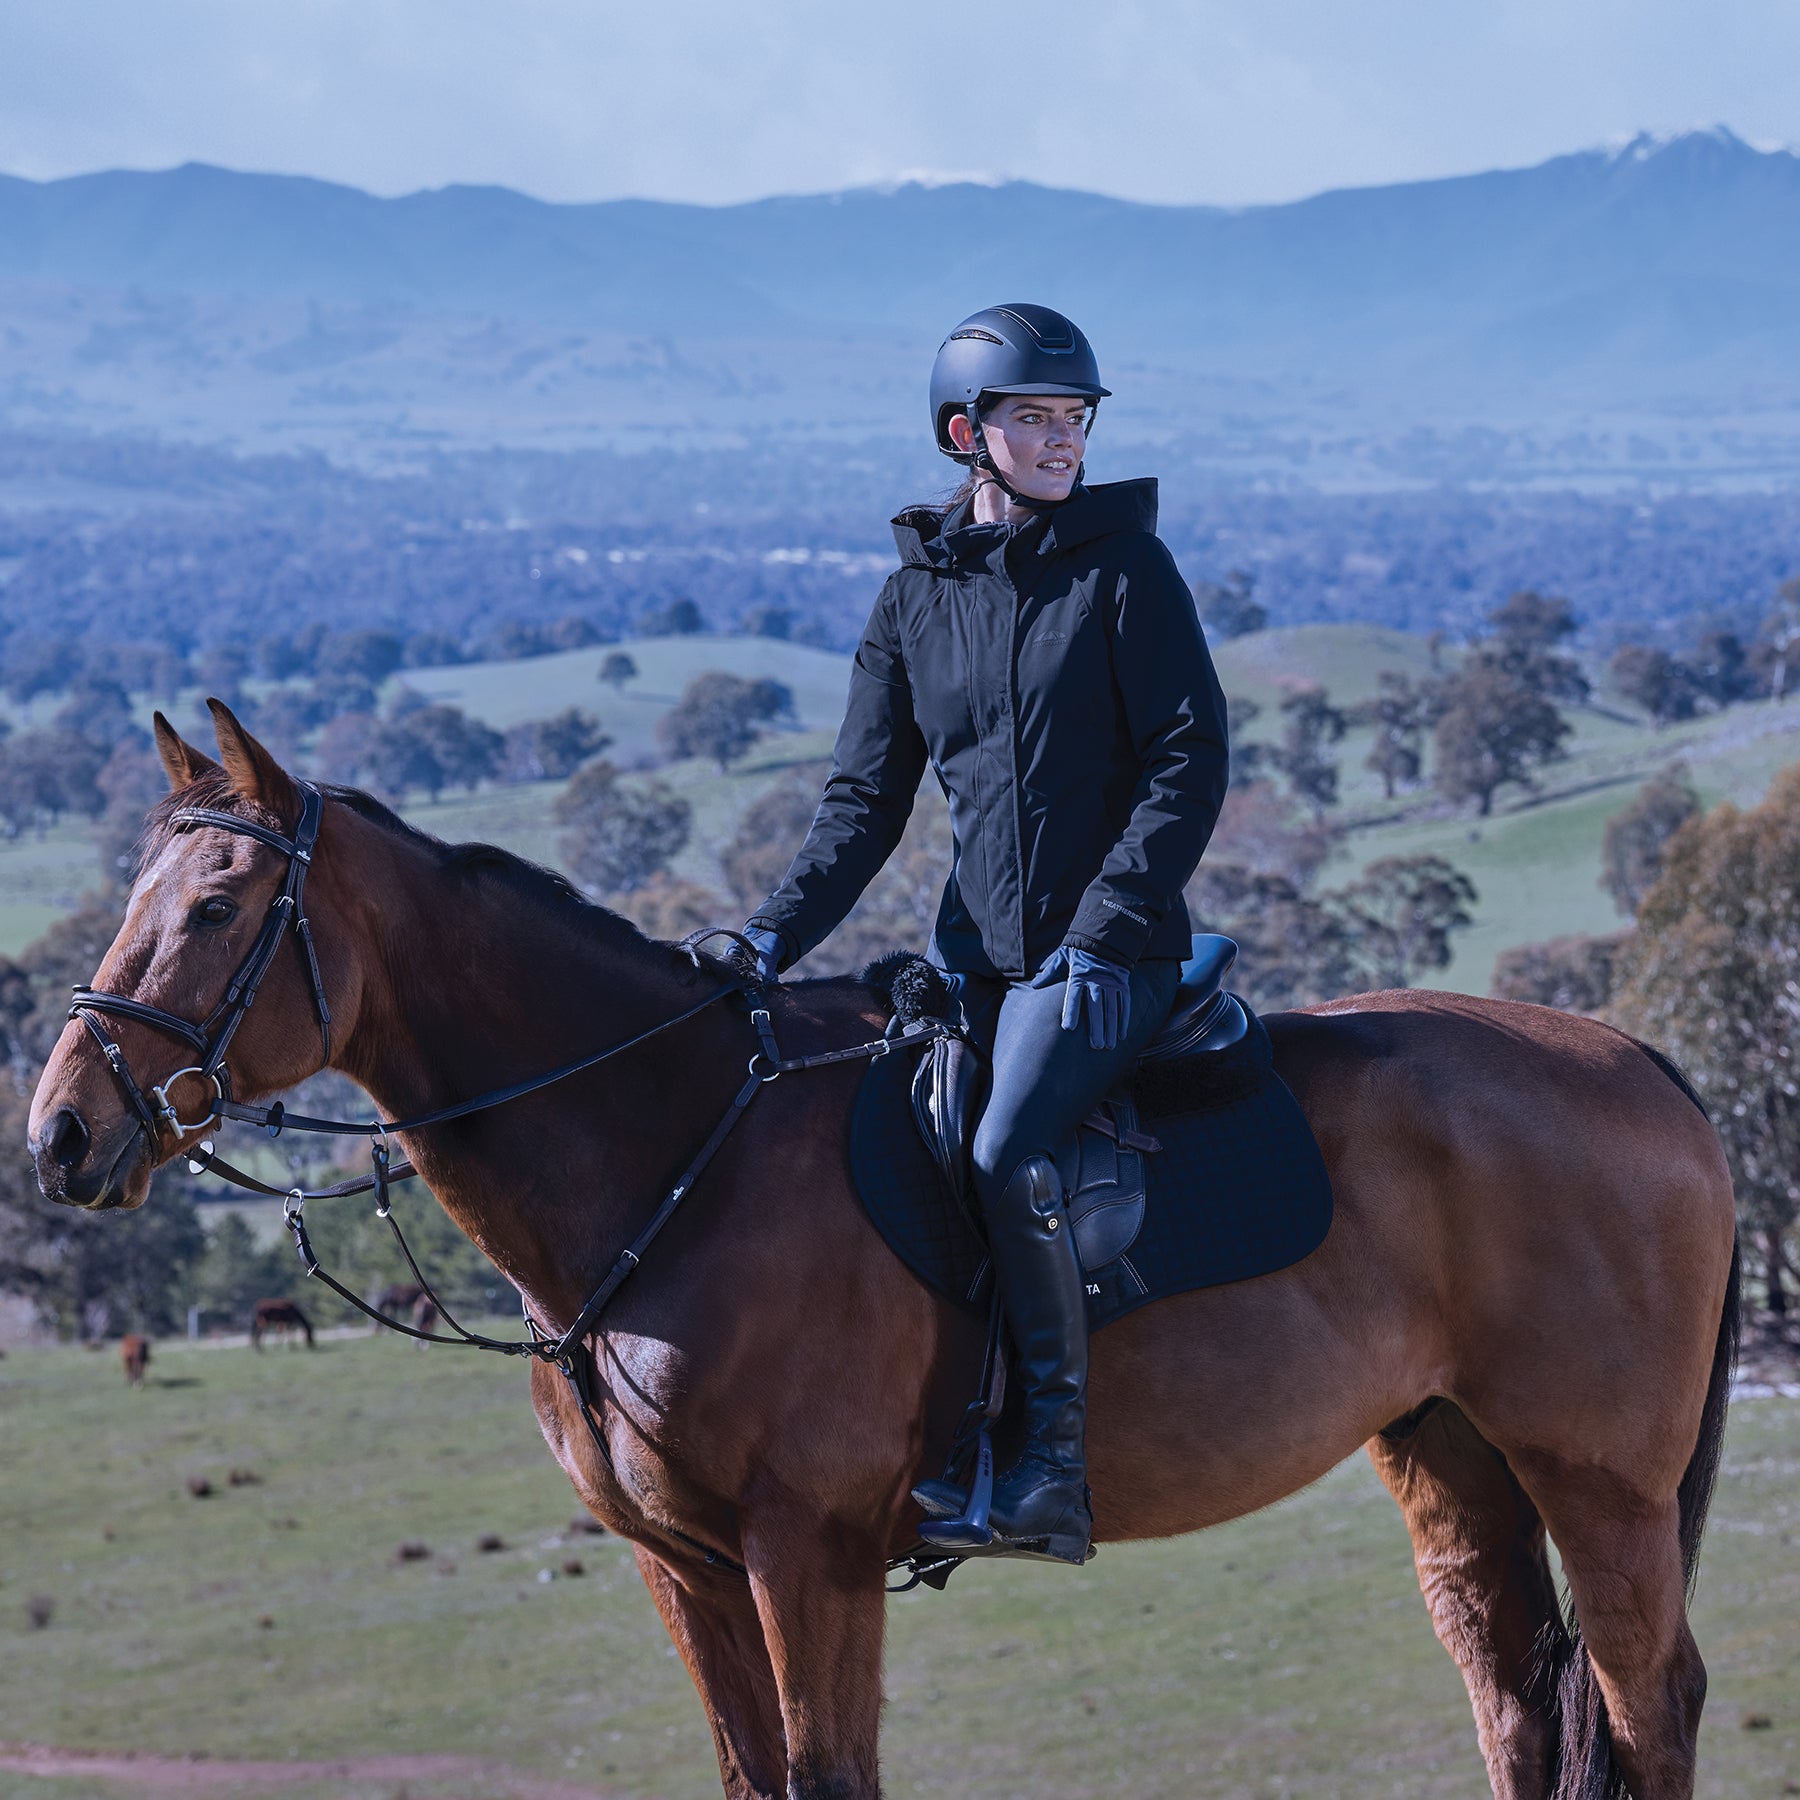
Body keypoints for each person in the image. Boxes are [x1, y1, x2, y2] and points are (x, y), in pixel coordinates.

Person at [742, 303, 1229, 1563]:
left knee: (1011, 1145)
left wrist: (1107, 925)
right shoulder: (913, 600)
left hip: (1113, 956)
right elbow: (861, 804)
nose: (1064, 439)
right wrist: (761, 944)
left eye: (1075, 418)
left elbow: (1190, 760)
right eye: (1035, 418)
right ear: (969, 434)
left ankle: (1049, 1473)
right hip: (975, 962)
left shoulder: (1128, 573)